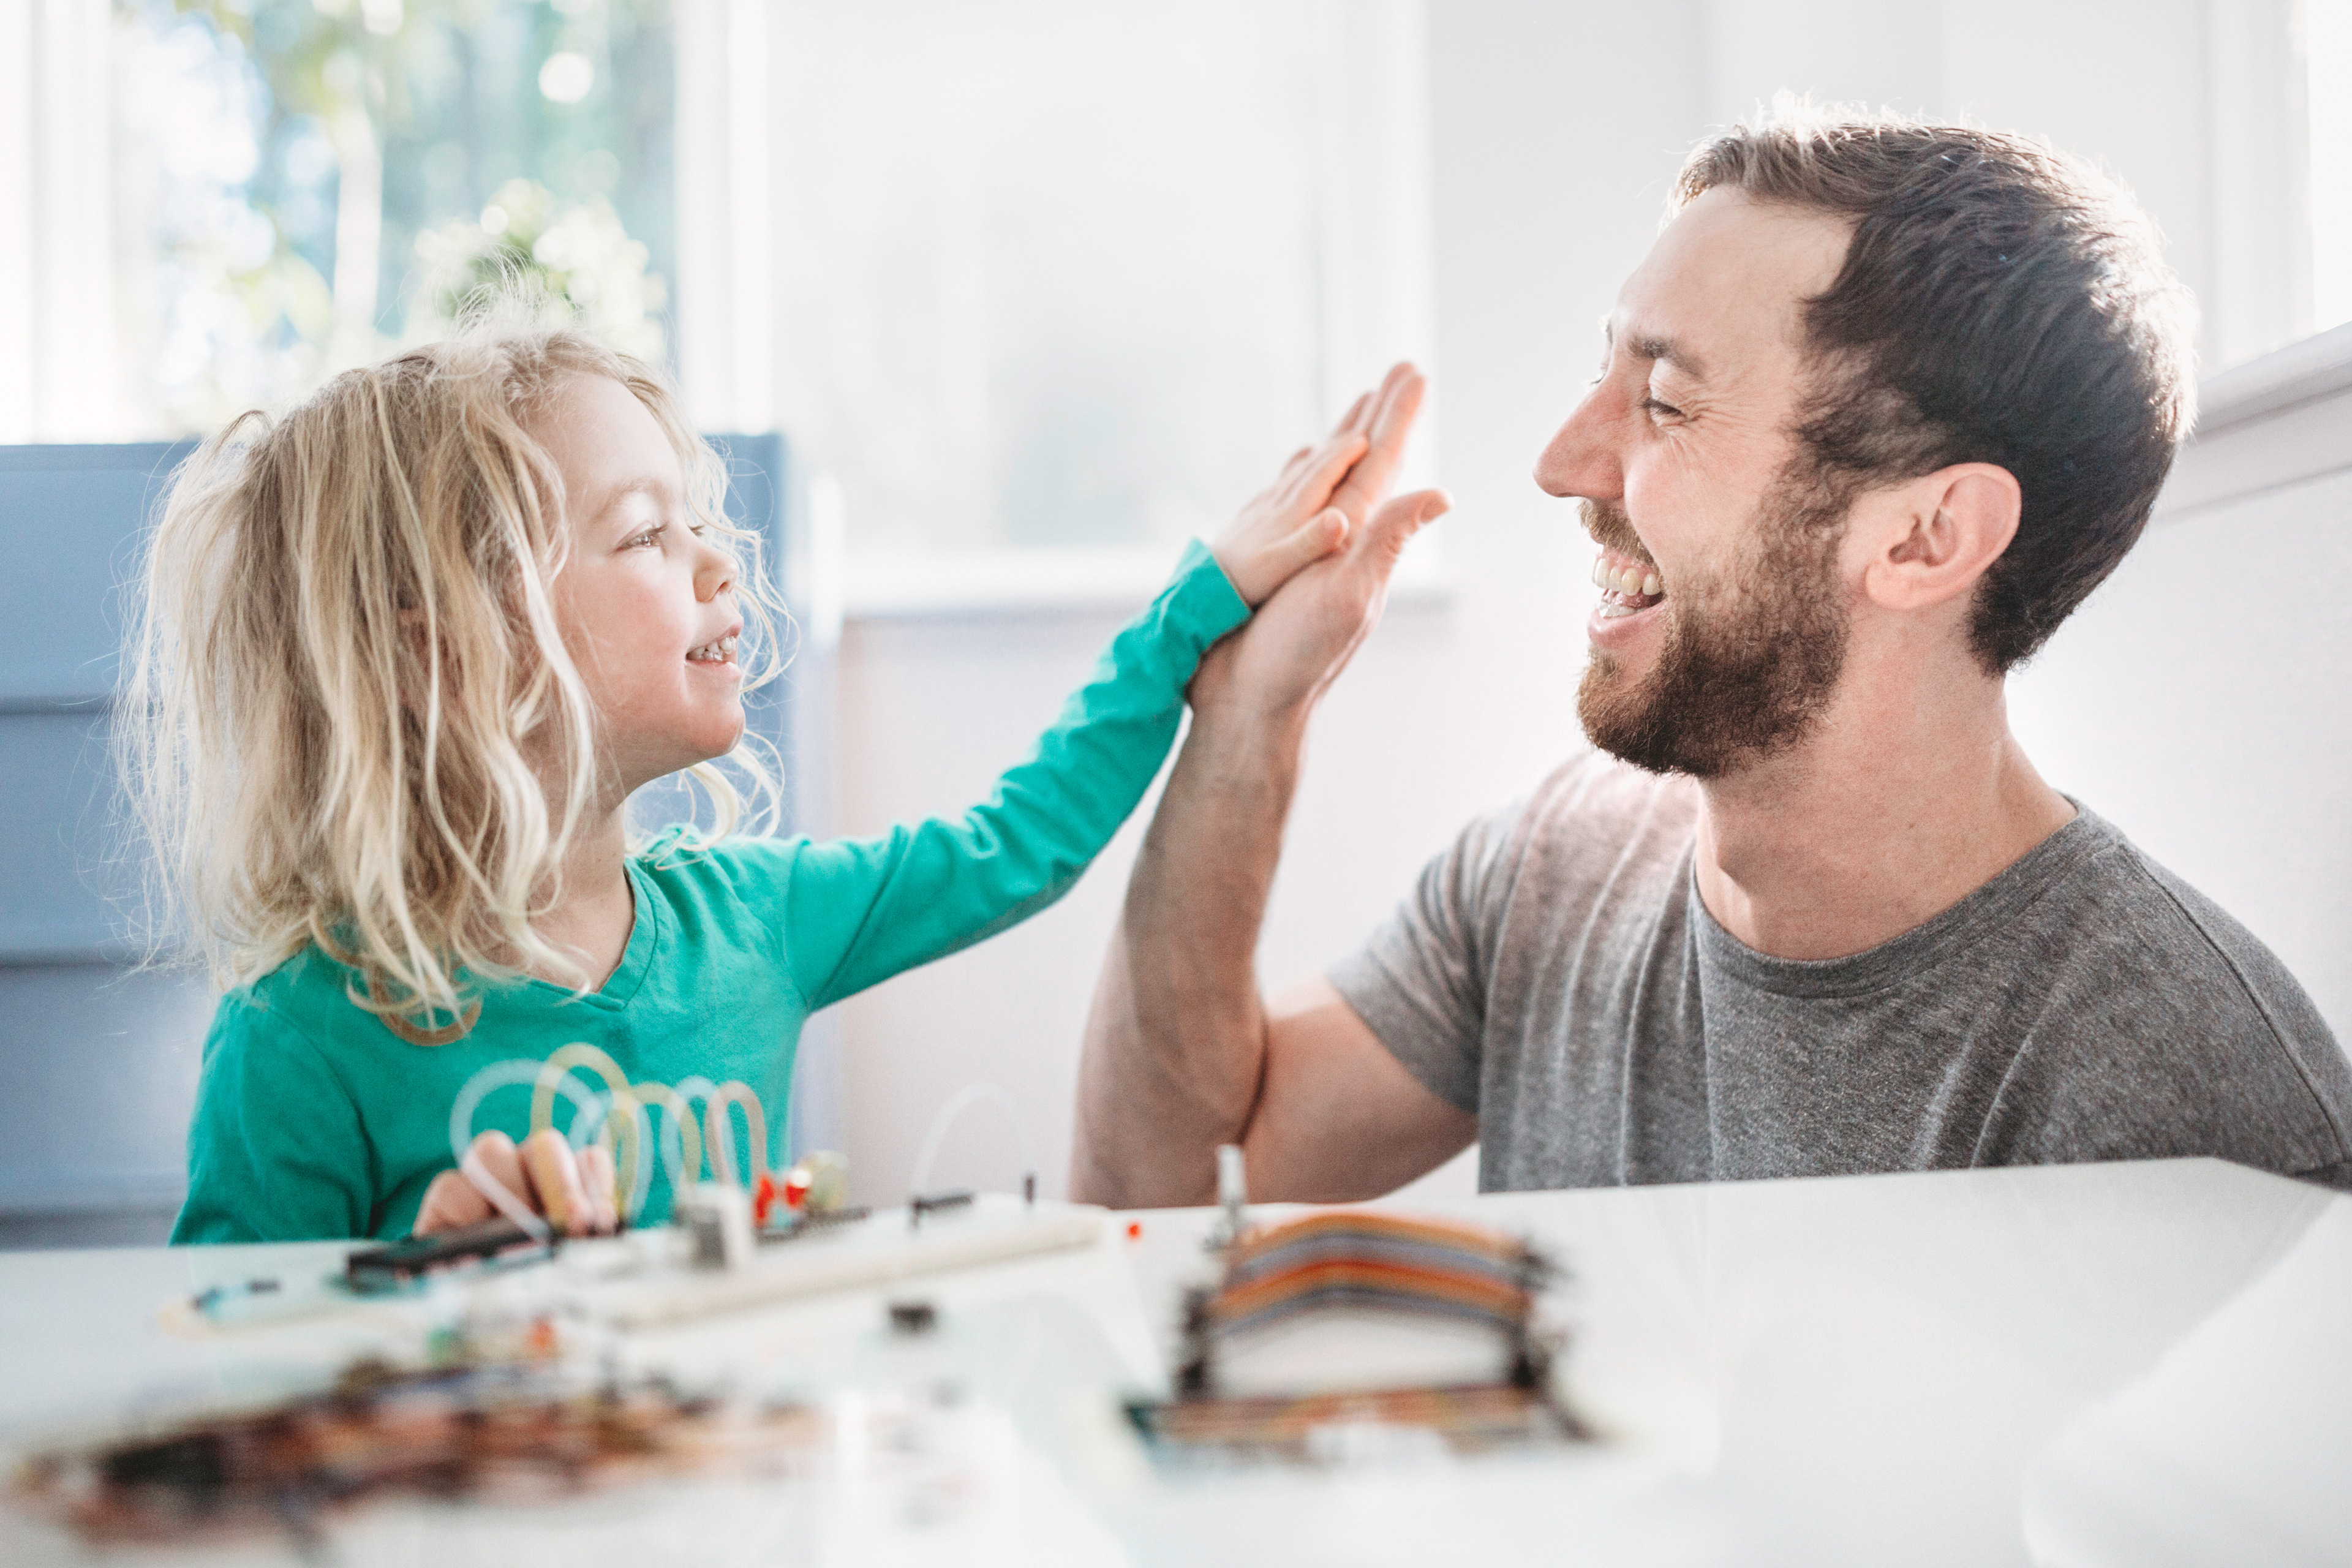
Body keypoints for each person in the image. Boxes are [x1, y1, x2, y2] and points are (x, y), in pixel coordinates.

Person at [1071, 107, 2352, 1207]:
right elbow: (1163, 1193)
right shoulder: (1558, 869)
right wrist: (1246, 716)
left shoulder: (2187, 1100)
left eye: (1667, 402)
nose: (1562, 465)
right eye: (1602, 376)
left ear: (1925, 536)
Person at [137, 320, 1442, 1242]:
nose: (719, 562)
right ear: (447, 645)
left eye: (697, 518)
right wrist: (410, 1281)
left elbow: (1020, 842)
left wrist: (1198, 605)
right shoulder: (302, 1030)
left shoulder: (754, 920)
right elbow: (221, 1367)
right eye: (648, 533)